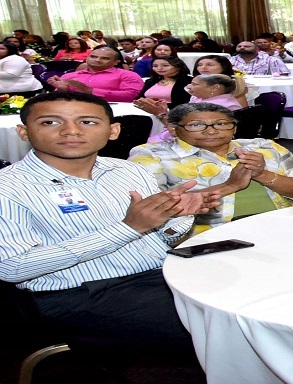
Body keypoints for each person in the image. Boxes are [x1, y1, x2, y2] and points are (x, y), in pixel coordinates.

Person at [0, 92, 215, 370]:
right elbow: (12, 267)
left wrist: (179, 216)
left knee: (253, 295)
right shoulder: (8, 187)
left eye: (88, 122)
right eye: (51, 122)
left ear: (112, 131)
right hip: (79, 295)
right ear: (23, 131)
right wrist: (128, 228)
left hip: (162, 276)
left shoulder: (127, 170)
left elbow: (161, 236)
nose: (71, 131)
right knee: (223, 324)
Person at [130, 102, 293, 233]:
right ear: (173, 129)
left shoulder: (263, 146)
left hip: (280, 225)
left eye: (221, 124)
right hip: (208, 235)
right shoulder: (152, 155)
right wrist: (229, 186)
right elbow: (148, 210)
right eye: (197, 125)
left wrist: (263, 174)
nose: (211, 131)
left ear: (234, 128)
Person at [46, 47, 143, 102]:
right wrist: (62, 89)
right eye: (93, 56)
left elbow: (131, 95)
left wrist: (90, 91)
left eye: (104, 58)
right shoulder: (69, 76)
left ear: (116, 62)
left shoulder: (127, 75)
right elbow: (59, 99)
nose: (97, 60)